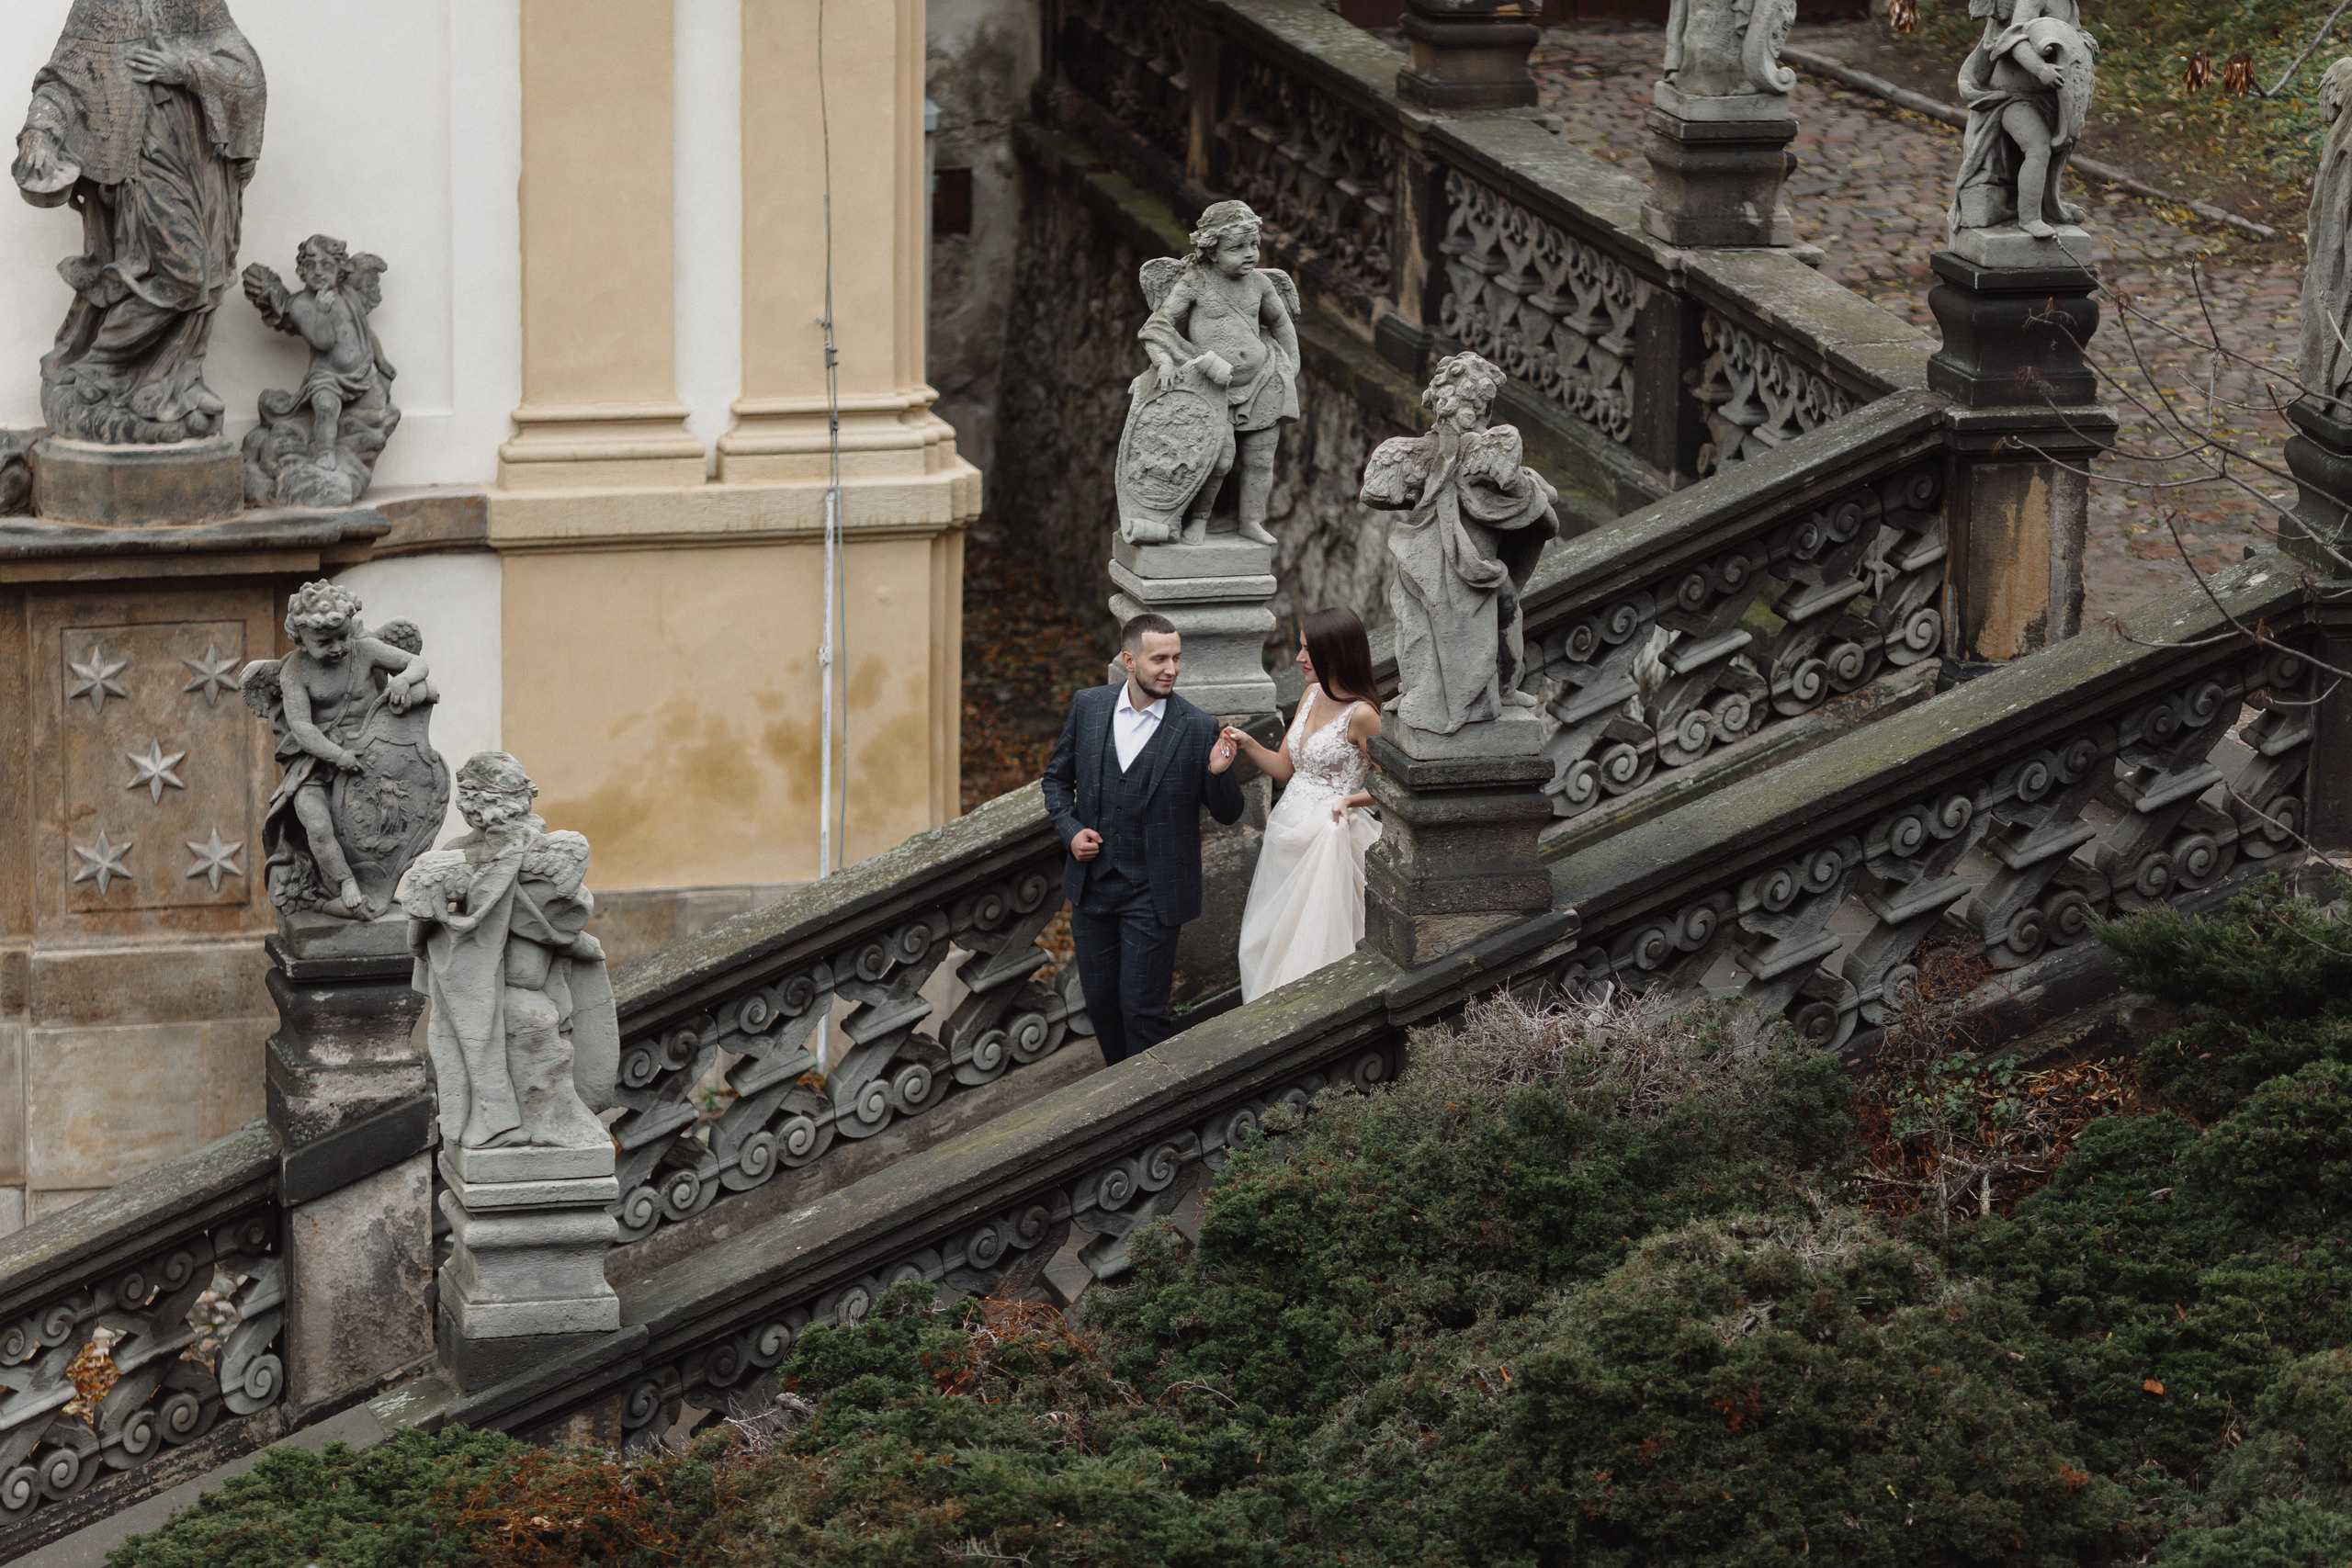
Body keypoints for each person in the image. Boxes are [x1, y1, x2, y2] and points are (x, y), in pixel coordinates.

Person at [1042, 614, 1244, 1065]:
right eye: (1159, 659)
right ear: (1130, 660)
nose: (1171, 668)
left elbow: (1230, 814)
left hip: (1153, 895)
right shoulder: (1089, 707)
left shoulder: (1197, 727)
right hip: (1093, 887)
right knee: (1101, 1004)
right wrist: (1071, 832)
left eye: (1176, 658)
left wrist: (1218, 774)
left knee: (1142, 1010)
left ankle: (1150, 1112)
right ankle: (1120, 1096)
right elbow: (1055, 781)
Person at [1224, 609, 1385, 1002]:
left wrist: (1350, 798)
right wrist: (1247, 743)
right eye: (1300, 648)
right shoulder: (1311, 695)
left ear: (1336, 653)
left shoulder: (1362, 715)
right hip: (1287, 832)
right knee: (1268, 936)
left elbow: (1391, 783)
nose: (1298, 658)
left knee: (1314, 943)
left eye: (1308, 650)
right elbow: (1284, 768)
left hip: (1329, 839)